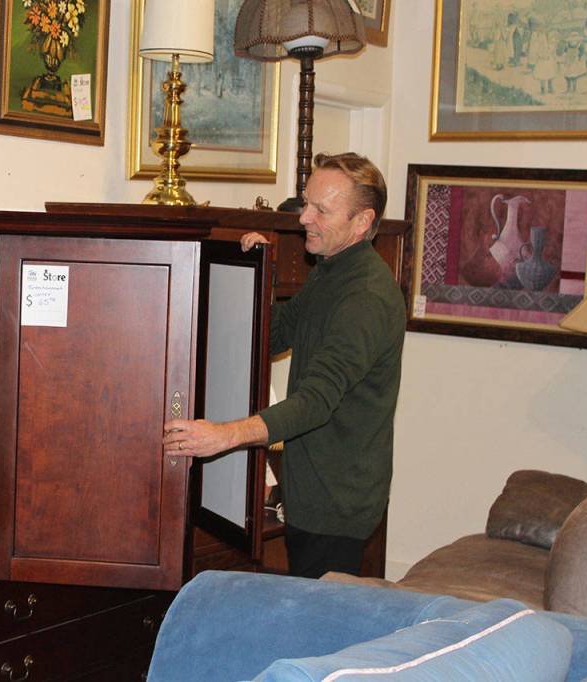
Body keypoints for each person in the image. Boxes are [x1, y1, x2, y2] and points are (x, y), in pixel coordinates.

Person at [163, 152, 407, 579]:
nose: (304, 218)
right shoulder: (331, 270)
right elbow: (273, 336)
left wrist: (226, 436)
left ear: (362, 222)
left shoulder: (365, 298)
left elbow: (315, 402)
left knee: (320, 630)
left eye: (321, 210)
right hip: (311, 490)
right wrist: (254, 277)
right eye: (306, 203)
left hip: (336, 502)